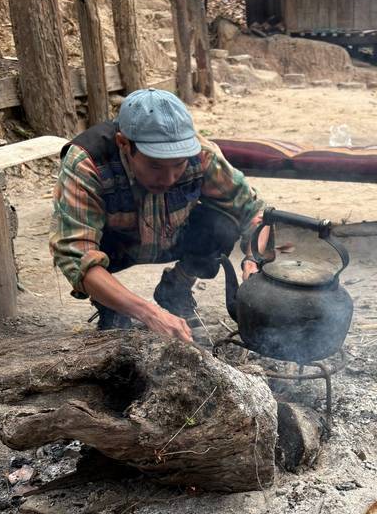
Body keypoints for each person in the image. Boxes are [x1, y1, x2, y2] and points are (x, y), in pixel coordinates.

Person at [50, 88, 270, 343]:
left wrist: (254, 258)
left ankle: (176, 289)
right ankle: (111, 306)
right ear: (124, 143)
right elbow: (75, 256)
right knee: (92, 267)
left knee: (223, 224)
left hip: (173, 237)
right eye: (155, 165)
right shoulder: (87, 162)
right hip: (117, 247)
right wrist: (148, 313)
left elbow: (256, 211)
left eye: (179, 165)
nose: (168, 178)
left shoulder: (201, 154)